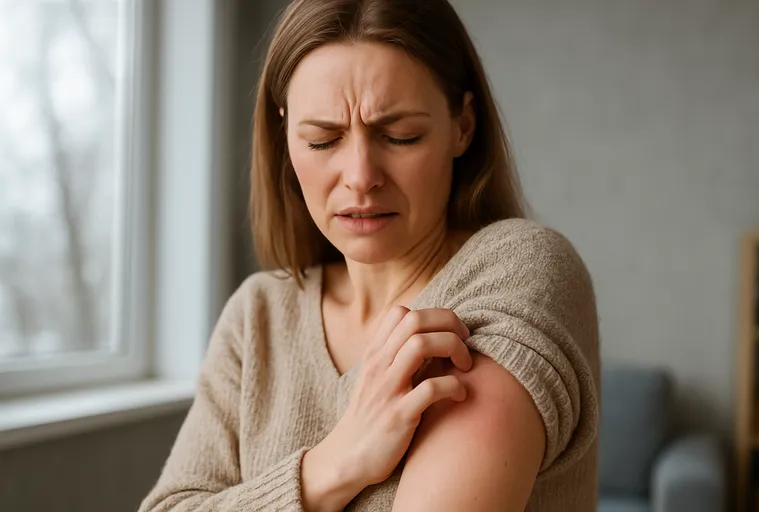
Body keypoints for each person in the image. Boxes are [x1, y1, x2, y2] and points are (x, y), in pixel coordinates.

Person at [139, 0, 600, 510]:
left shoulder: (518, 271)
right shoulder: (258, 315)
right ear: (284, 135)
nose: (360, 175)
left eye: (399, 135)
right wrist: (337, 464)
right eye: (322, 140)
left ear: (463, 126)